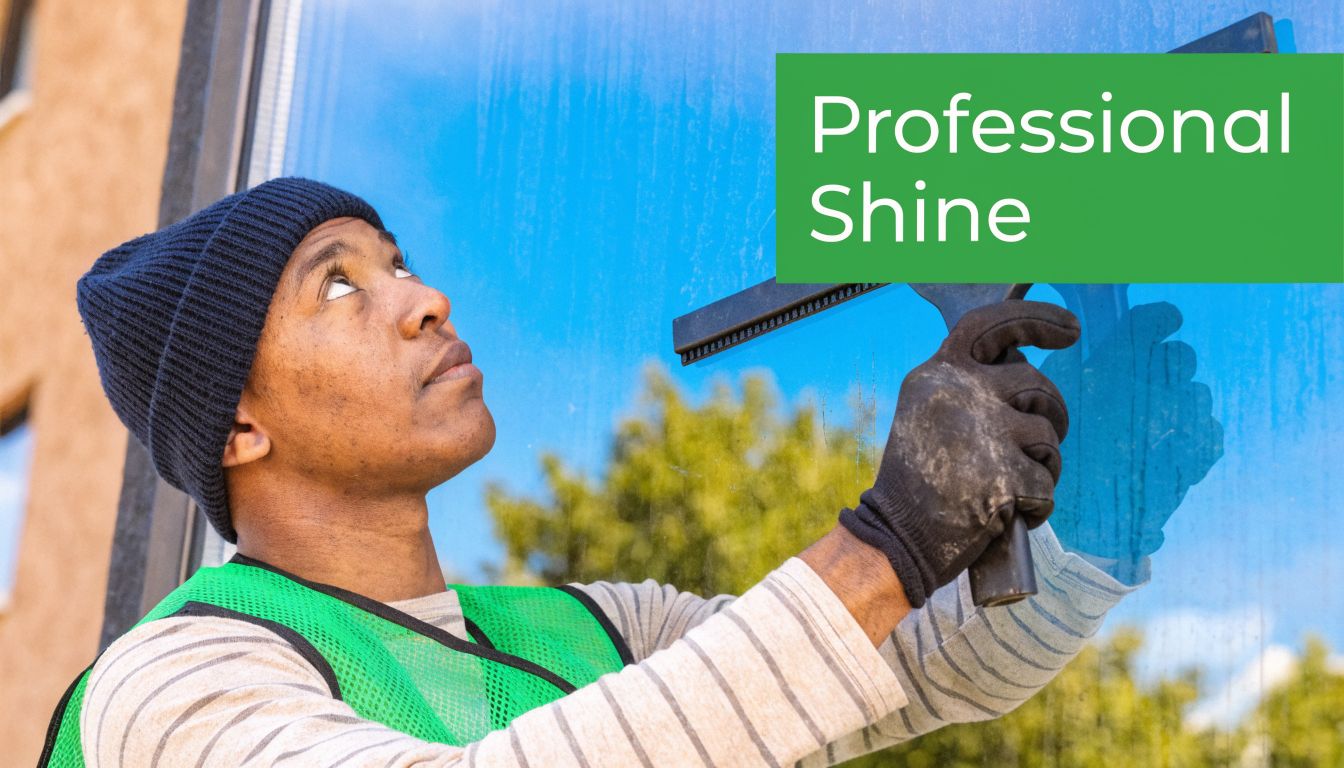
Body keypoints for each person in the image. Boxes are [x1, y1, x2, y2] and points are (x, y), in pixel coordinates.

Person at [44, 176, 1145, 767]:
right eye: (337, 286)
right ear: (236, 426)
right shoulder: (171, 690)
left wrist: (1115, 504)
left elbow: (914, 673)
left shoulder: (596, 633)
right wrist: (882, 547)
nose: (425, 298)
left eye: (400, 262)